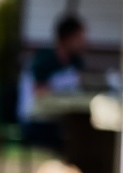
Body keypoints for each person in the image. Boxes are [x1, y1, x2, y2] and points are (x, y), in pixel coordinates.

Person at [18, 15, 87, 151]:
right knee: (78, 137)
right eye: (80, 38)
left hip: (59, 119)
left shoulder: (75, 62)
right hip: (35, 120)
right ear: (68, 38)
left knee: (85, 131)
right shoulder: (44, 60)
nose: (84, 42)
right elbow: (40, 94)